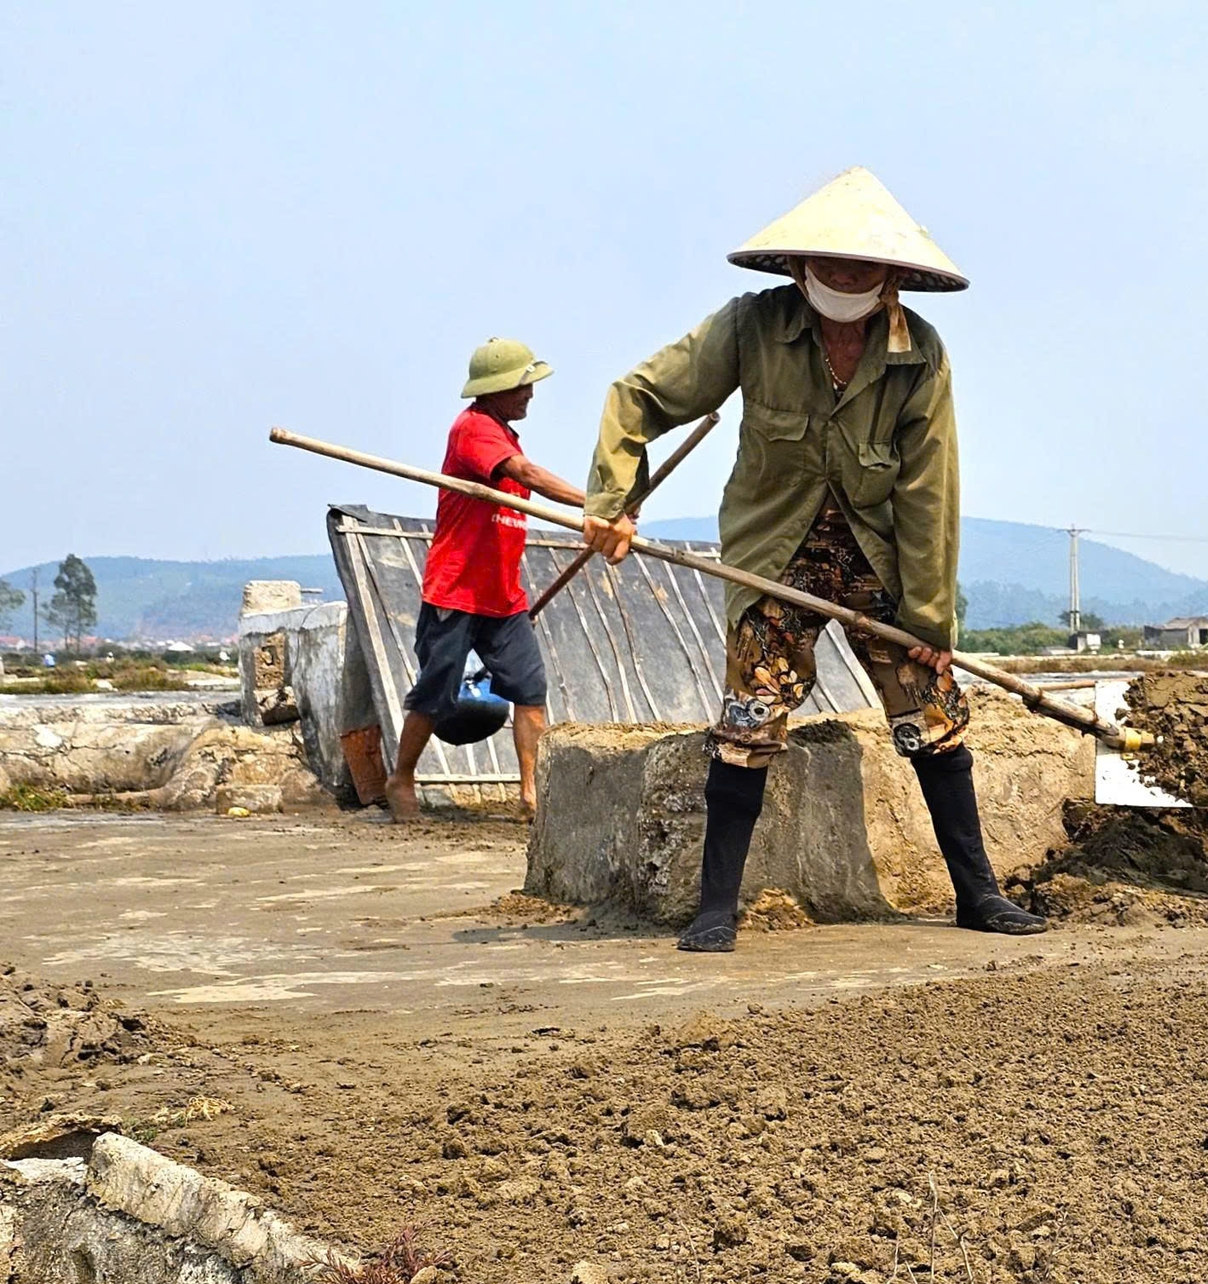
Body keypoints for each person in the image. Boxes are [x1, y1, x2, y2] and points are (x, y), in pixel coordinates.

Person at [581, 168, 1046, 952]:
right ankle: (716, 908)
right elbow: (639, 397)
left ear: (893, 276)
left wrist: (931, 618)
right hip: (776, 552)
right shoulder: (751, 329)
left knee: (933, 712)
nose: (843, 280)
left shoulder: (919, 356)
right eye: (829, 265)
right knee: (750, 716)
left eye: (861, 268)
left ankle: (979, 893)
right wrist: (612, 504)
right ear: (799, 267)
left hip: (878, 561)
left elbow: (931, 490)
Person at [386, 338, 585, 821]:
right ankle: (402, 778)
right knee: (436, 692)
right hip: (456, 591)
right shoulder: (474, 431)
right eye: (522, 387)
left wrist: (600, 515)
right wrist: (593, 504)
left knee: (529, 690)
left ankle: (530, 794)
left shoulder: (505, 435)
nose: (530, 396)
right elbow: (526, 473)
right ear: (496, 389)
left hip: (503, 596)